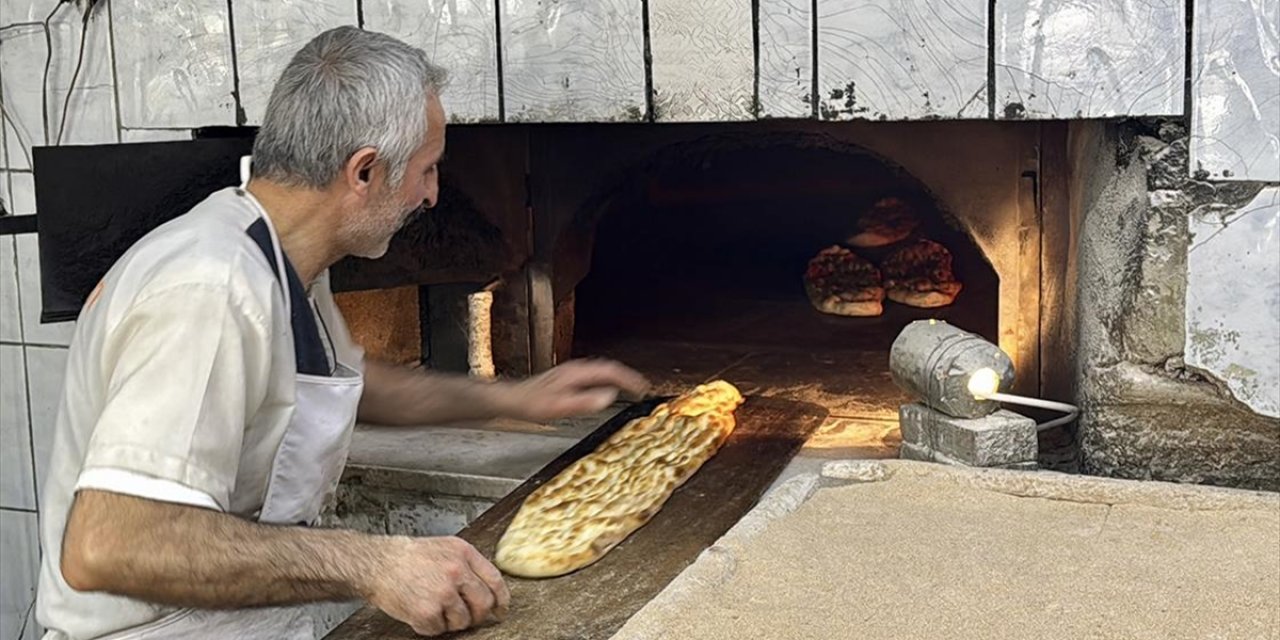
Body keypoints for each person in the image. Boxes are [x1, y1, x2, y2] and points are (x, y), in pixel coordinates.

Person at [35, 26, 649, 640]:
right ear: (363, 172)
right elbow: (109, 544)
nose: (432, 195)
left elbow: (345, 385)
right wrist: (373, 563)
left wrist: (515, 399)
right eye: (427, 169)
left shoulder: (279, 254)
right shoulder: (210, 289)